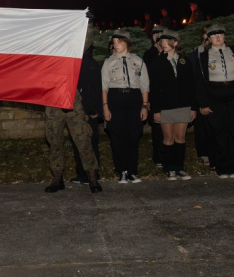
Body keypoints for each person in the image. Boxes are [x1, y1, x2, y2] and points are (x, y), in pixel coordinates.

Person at [45, 26, 101, 193]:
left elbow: (87, 41)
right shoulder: (45, 53)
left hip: (72, 101)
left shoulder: (71, 51)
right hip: (52, 102)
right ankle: (57, 178)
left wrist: (89, 24)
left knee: (83, 139)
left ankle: (92, 177)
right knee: (54, 141)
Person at [195, 25, 234, 178]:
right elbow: (200, 81)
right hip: (215, 95)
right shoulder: (204, 56)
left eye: (220, 34)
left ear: (225, 36)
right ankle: (221, 166)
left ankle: (232, 166)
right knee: (218, 131)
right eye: (214, 36)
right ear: (209, 39)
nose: (218, 38)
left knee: (233, 130)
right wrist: (203, 103)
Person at [101, 29, 150, 183]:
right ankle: (121, 170)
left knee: (133, 135)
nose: (116, 45)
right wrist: (105, 106)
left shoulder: (138, 61)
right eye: (114, 42)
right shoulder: (108, 62)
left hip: (134, 99)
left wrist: (144, 106)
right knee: (117, 136)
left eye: (119, 42)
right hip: (115, 98)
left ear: (127, 43)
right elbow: (104, 87)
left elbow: (145, 86)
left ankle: (132, 171)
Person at [148, 29, 197, 181]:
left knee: (180, 137)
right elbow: (154, 88)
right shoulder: (157, 62)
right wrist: (156, 110)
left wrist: (193, 107)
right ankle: (170, 169)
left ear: (175, 42)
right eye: (161, 41)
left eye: (167, 40)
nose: (163, 43)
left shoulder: (184, 60)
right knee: (168, 137)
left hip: (183, 105)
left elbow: (191, 86)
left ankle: (179, 167)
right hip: (165, 106)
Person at [69, 28, 102, 187]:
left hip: (88, 111)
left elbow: (94, 89)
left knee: (90, 142)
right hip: (78, 111)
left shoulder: (89, 64)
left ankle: (93, 173)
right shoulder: (78, 63)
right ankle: (82, 173)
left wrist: (93, 110)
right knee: (79, 143)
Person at [190, 25, 213, 168]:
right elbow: (193, 75)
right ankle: (204, 153)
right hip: (200, 92)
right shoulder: (197, 52)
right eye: (205, 38)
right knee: (202, 126)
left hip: (216, 93)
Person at [143, 25, 166, 168]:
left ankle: (170, 156)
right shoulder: (149, 54)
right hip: (154, 95)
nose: (157, 37)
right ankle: (158, 157)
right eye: (155, 34)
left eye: (160, 34)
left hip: (168, 96)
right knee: (157, 129)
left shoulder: (170, 52)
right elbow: (145, 77)